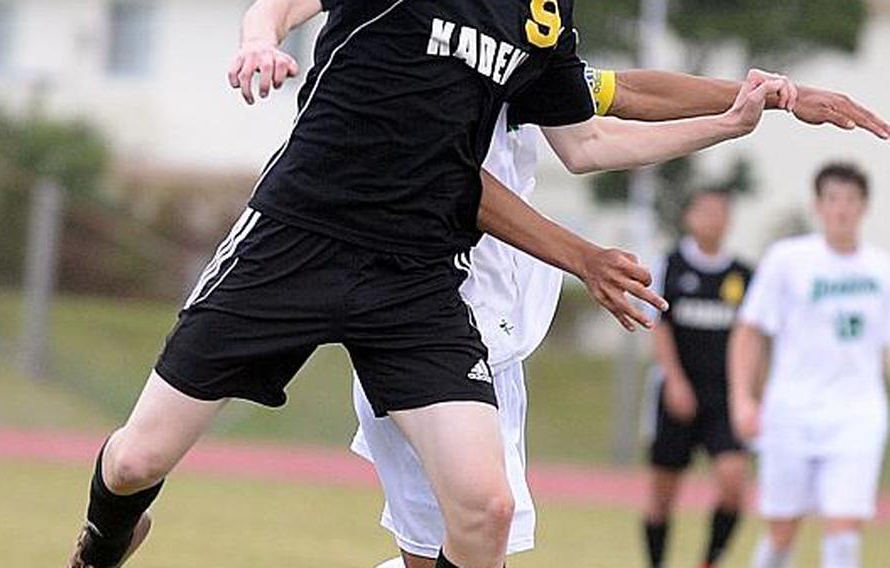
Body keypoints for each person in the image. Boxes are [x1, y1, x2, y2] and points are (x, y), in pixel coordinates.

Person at [350, 64, 889, 567]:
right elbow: (461, 180)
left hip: (495, 340)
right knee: (487, 520)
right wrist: (263, 26)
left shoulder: (527, 43)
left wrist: (760, 103)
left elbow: (611, 108)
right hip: (425, 328)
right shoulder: (428, 47)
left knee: (468, 539)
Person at [730, 164, 890, 568]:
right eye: (833, 199)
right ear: (818, 206)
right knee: (782, 530)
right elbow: (750, 331)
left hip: (857, 413)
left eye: (851, 200)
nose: (842, 210)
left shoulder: (881, 269)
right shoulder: (789, 260)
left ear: (864, 207)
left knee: (843, 529)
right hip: (792, 412)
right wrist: (742, 399)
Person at [643, 190, 752, 568]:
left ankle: (709, 561)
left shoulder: (742, 275)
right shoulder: (670, 265)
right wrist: (673, 380)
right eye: (705, 211)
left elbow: (751, 338)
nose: (713, 219)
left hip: (724, 396)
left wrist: (749, 393)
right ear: (690, 217)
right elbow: (659, 327)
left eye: (721, 212)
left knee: (734, 484)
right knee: (662, 494)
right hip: (678, 394)